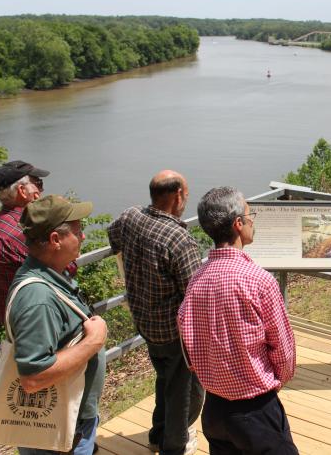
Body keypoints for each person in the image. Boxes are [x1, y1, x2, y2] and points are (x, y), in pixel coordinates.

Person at [178, 187, 298, 455]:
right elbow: (283, 350)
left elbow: (189, 347)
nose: (252, 220)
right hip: (257, 409)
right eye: (249, 214)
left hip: (214, 410)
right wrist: (275, 382)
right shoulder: (259, 281)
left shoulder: (197, 280)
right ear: (238, 224)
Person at [107, 170, 204, 455]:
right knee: (184, 392)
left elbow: (113, 237)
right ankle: (173, 446)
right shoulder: (179, 240)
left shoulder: (130, 217)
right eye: (186, 194)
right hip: (174, 333)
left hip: (145, 324)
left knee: (164, 378)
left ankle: (157, 433)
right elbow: (195, 294)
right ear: (177, 196)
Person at [7, 195, 107, 455]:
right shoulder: (38, 298)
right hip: (59, 433)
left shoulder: (50, 276)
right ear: (55, 240)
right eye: (77, 230)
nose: (83, 237)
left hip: (72, 424)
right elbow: (33, 377)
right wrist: (93, 341)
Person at [0, 160, 58, 325]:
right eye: (38, 183)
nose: (41, 189)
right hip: (43, 322)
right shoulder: (25, 230)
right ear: (22, 190)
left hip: (13, 323)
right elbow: (67, 269)